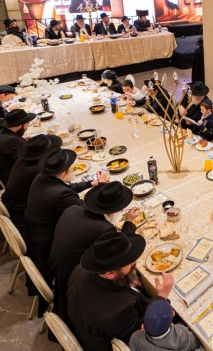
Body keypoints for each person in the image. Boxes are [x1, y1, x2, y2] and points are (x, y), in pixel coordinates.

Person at [67, 230, 174, 351]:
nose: (135, 262)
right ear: (110, 273)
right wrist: (162, 298)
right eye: (129, 262)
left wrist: (127, 282)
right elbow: (148, 332)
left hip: (87, 324)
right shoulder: (118, 312)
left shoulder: (80, 270)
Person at [49, 181, 138, 322]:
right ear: (115, 210)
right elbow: (120, 249)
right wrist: (129, 222)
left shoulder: (72, 209)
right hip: (78, 283)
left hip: (58, 272)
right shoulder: (103, 228)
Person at [25, 148, 109, 284]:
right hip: (50, 246)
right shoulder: (60, 195)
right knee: (102, 230)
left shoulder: (42, 178)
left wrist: (91, 183)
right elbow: (90, 210)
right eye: (71, 167)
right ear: (66, 171)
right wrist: (102, 188)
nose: (73, 169)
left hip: (35, 234)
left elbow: (65, 187)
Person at [2, 134, 61, 232]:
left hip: (14, 206)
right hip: (25, 214)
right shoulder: (37, 170)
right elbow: (57, 189)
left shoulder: (22, 161)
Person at [129, 298, 204, 351]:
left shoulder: (135, 338)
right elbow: (197, 342)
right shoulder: (183, 336)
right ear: (173, 313)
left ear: (143, 327)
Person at [0, 109, 34, 181]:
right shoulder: (12, 140)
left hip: (2, 169)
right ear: (19, 126)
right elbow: (27, 161)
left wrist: (21, 141)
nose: (27, 127)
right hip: (13, 175)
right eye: (27, 124)